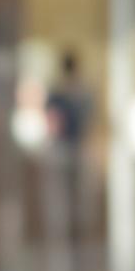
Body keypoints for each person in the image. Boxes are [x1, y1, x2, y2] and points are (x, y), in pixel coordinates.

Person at [44, 48, 94, 244]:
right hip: (68, 146)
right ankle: (67, 231)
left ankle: (70, 231)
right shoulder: (69, 93)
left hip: (69, 146)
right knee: (65, 193)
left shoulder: (74, 93)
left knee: (70, 193)